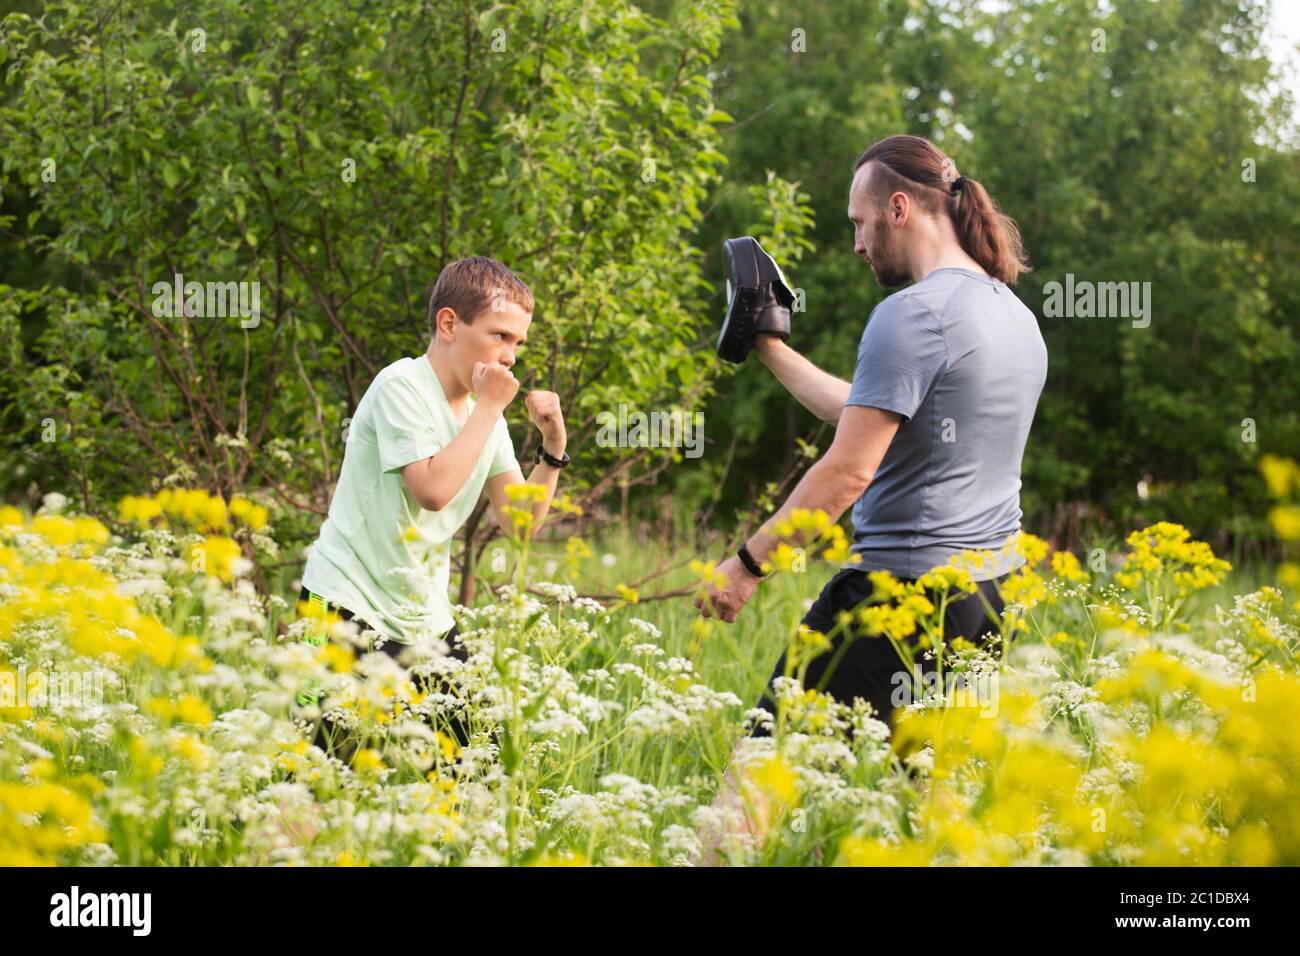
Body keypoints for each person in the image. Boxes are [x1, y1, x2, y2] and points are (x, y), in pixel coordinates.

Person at [695, 134, 1048, 860]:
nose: (856, 244)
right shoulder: (1011, 314)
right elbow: (866, 408)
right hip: (986, 600)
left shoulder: (912, 313)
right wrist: (769, 344)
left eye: (858, 223)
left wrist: (747, 565)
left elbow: (848, 471)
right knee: (924, 817)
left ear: (897, 207)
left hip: (895, 593)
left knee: (753, 787)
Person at [297, 255, 570, 762]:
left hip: (424, 620)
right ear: (449, 324)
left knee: (476, 778)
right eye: (498, 336)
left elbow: (520, 525)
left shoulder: (485, 419)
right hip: (343, 604)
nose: (510, 356)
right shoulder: (401, 386)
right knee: (316, 781)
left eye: (518, 342)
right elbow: (432, 489)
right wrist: (491, 408)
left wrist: (553, 445)